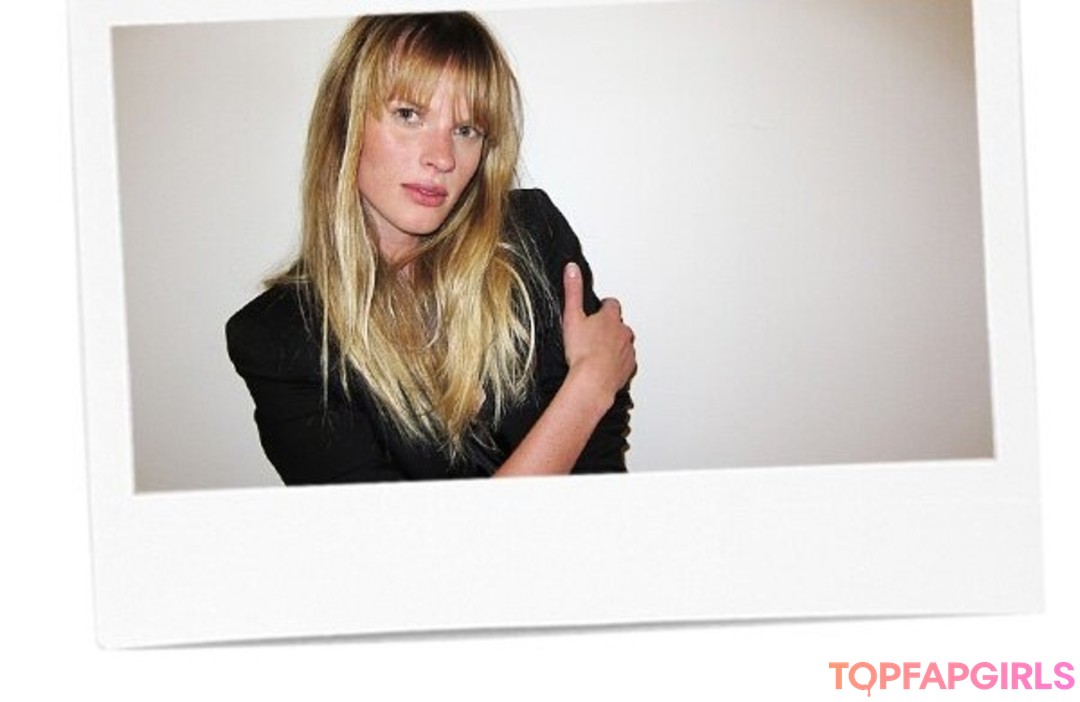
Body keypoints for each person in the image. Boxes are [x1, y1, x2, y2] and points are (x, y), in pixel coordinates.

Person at [226, 12, 635, 484]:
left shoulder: (532, 237)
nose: (442, 158)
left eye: (466, 129)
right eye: (409, 115)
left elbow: (600, 454)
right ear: (343, 124)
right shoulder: (279, 341)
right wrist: (589, 385)